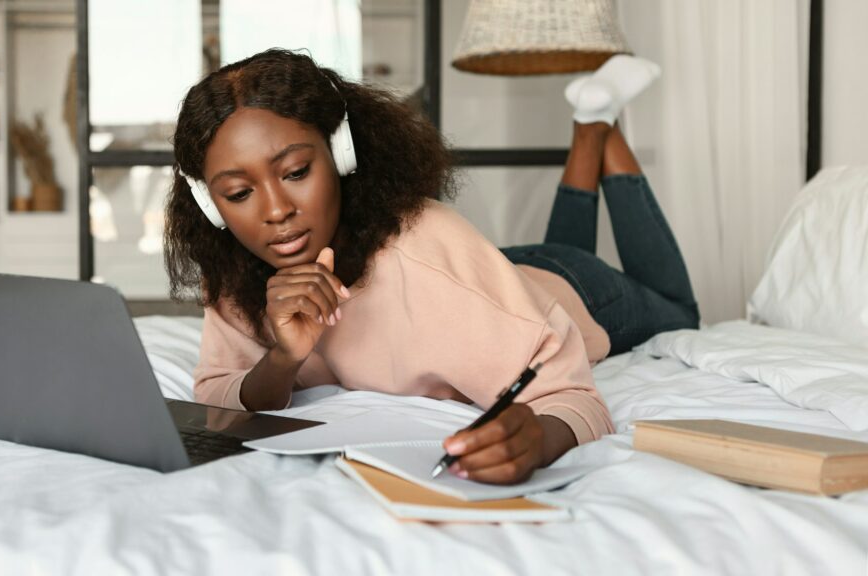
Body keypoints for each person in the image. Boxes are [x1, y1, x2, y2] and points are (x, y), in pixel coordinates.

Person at [165, 49, 699, 485]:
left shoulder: (426, 254)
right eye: (238, 193)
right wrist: (281, 360)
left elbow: (575, 397)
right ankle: (589, 125)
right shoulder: (236, 268)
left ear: (341, 154)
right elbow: (215, 395)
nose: (276, 211)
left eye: (297, 171)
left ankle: (599, 131)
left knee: (680, 309)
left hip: (575, 290)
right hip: (484, 278)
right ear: (211, 205)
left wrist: (537, 439)